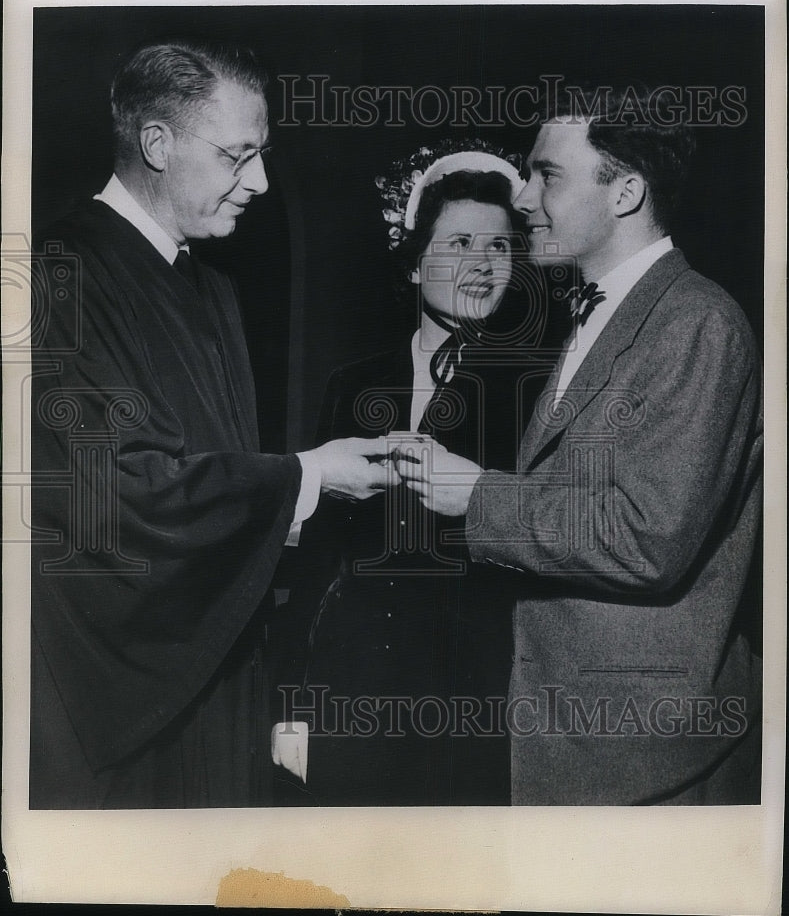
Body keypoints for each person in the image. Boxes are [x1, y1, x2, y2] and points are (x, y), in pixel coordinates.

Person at [30, 40, 394, 808]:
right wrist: (308, 474)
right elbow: (117, 496)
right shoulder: (59, 273)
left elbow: (215, 476)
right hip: (126, 696)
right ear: (157, 143)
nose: (257, 182)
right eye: (238, 156)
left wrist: (305, 486)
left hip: (223, 670)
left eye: (262, 156)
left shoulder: (212, 287)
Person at [396, 86, 763, 805]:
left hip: (643, 762)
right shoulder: (598, 316)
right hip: (570, 742)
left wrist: (476, 494)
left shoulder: (696, 323)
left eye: (547, 175)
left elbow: (644, 539)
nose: (525, 198)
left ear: (625, 192)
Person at [273, 142, 560, 806]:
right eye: (459, 241)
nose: (483, 265)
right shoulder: (355, 384)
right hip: (351, 696)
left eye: (499, 247)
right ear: (412, 265)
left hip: (478, 708)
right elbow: (319, 558)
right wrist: (291, 706)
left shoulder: (537, 390)